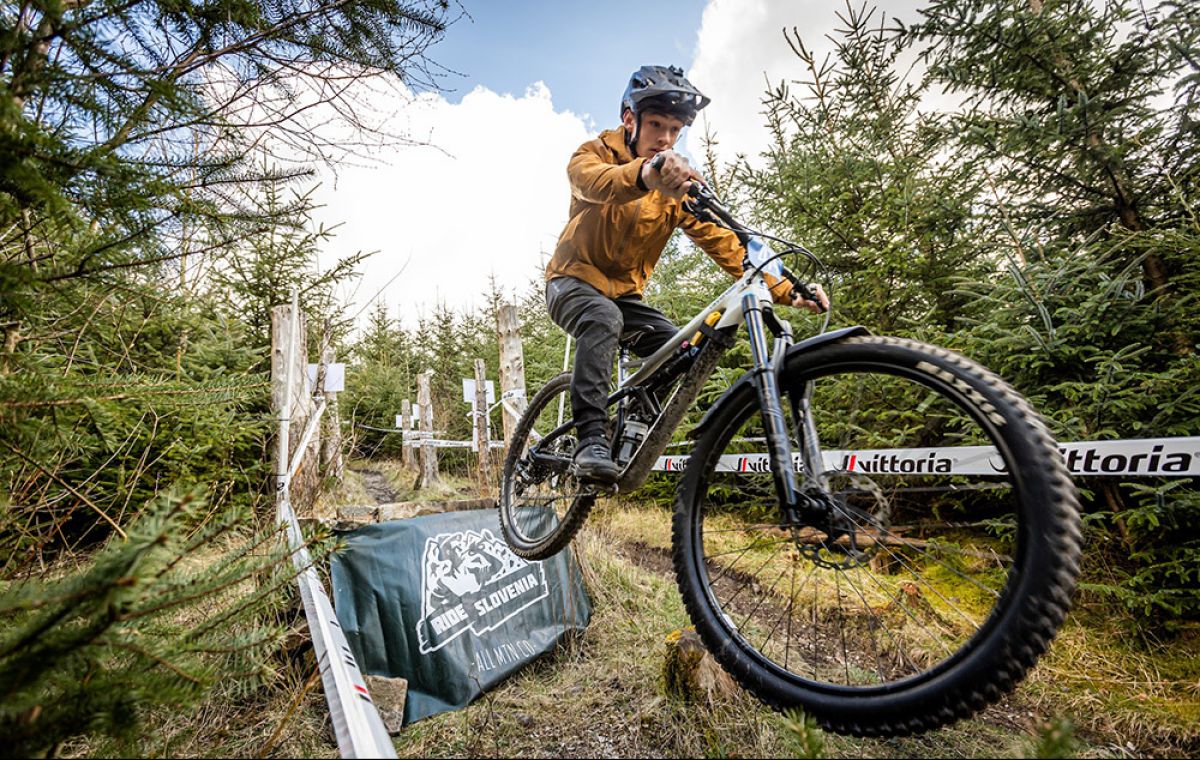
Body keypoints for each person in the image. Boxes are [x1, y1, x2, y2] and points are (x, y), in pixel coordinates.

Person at [544, 64, 829, 484]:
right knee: (603, 319)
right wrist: (646, 175)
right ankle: (590, 439)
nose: (665, 138)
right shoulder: (594, 154)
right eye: (656, 124)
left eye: (674, 129)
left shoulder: (678, 188)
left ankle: (634, 421)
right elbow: (592, 183)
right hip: (571, 281)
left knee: (680, 348)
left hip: (624, 295)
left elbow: (728, 240)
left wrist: (788, 289)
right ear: (629, 120)